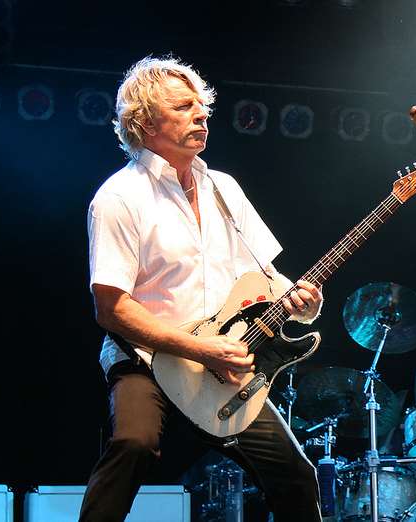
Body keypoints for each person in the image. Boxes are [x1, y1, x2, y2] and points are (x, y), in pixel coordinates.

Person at [81, 56, 323, 522]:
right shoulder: (118, 197)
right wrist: (196, 347)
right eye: (184, 105)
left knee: (296, 474)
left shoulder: (224, 189)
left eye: (203, 105)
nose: (202, 114)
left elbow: (266, 275)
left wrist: (301, 302)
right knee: (133, 444)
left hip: (218, 369)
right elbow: (110, 309)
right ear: (145, 121)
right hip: (144, 360)